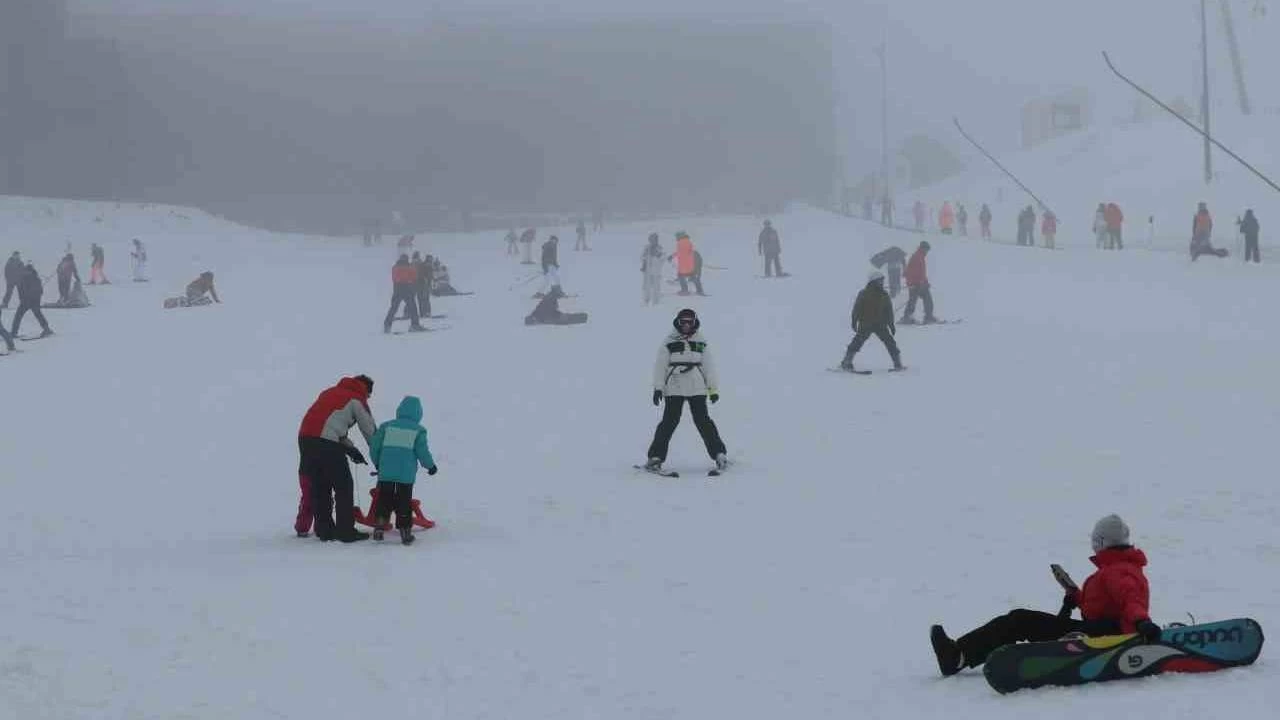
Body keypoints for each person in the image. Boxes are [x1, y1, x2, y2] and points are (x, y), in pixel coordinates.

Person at [929, 514, 1160, 676]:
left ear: (1100, 542)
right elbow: (1105, 606)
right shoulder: (1115, 569)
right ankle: (959, 655)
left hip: (1107, 635)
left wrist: (1142, 622)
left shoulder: (1119, 570)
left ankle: (958, 655)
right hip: (1099, 631)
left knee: (1020, 620)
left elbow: (1131, 599)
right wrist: (1075, 598)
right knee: (1022, 620)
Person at [644, 309, 728, 473]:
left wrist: (713, 389)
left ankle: (719, 453)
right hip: (674, 386)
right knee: (669, 422)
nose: (686, 325)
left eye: (690, 321)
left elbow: (708, 366)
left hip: (697, 387)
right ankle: (655, 457)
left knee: (703, 422)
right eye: (684, 322)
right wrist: (658, 388)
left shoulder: (701, 341)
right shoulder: (669, 341)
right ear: (678, 322)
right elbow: (660, 366)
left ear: (695, 322)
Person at [298, 375, 377, 542]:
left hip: (305, 438)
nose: (368, 398)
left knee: (321, 484)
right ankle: (346, 531)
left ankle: (324, 529)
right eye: (369, 395)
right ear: (366, 390)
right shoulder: (357, 399)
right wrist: (381, 457)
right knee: (343, 485)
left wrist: (351, 450)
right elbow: (370, 431)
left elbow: (330, 426)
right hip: (326, 441)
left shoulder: (329, 392)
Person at [368, 395, 438, 545]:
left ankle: (379, 527)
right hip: (405, 474)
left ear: (399, 410)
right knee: (403, 501)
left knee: (384, 498)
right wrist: (430, 466)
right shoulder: (419, 430)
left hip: (386, 472)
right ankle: (405, 532)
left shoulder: (387, 426)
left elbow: (375, 447)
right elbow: (422, 452)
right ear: (419, 414)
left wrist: (378, 464)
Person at [839, 270, 903, 372]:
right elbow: (857, 308)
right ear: (873, 281)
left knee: (890, 342)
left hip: (880, 324)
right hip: (866, 324)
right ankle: (846, 362)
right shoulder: (864, 293)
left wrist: (891, 325)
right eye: (880, 281)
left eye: (882, 280)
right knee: (857, 342)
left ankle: (898, 363)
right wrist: (854, 321)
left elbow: (888, 311)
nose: (882, 282)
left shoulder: (884, 294)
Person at [10, 263, 52, 338]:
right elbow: (40, 291)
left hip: (28, 301)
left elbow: (24, 291)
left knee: (19, 316)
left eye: (26, 271)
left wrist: (25, 298)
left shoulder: (26, 279)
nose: (25, 272)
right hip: (32, 301)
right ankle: (46, 329)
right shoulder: (34, 278)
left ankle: (14, 332)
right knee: (37, 315)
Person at [384, 255, 424, 333]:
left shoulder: (395, 267)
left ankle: (387, 325)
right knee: (412, 308)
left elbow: (394, 278)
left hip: (397, 289)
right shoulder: (409, 267)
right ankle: (414, 325)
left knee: (393, 308)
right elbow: (414, 277)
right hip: (407, 289)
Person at [901, 241, 936, 324]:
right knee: (914, 300)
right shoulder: (917, 257)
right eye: (927, 250)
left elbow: (922, 273)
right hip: (915, 284)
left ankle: (927, 316)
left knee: (925, 299)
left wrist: (925, 282)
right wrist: (915, 283)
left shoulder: (920, 256)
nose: (927, 252)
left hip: (919, 283)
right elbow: (911, 272)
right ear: (923, 248)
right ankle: (907, 317)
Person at [672, 232, 702, 296]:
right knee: (693, 276)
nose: (676, 238)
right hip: (690, 264)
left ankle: (684, 290)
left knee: (680, 276)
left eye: (677, 236)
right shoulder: (689, 242)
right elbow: (689, 252)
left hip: (683, 264)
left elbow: (679, 253)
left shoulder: (680, 243)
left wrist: (672, 256)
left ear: (680, 236)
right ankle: (699, 290)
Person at [641, 233, 665, 305]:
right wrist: (645, 257)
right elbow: (642, 257)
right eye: (651, 239)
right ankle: (646, 299)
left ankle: (656, 301)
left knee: (656, 286)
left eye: (654, 239)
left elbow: (663, 258)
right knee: (647, 286)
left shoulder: (660, 248)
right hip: (648, 270)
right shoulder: (646, 248)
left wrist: (658, 256)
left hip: (656, 270)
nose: (653, 241)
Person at [412, 252, 432, 319]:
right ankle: (426, 312)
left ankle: (423, 312)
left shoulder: (420, 264)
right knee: (424, 298)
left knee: (420, 298)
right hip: (422, 283)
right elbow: (427, 276)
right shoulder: (423, 265)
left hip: (417, 282)